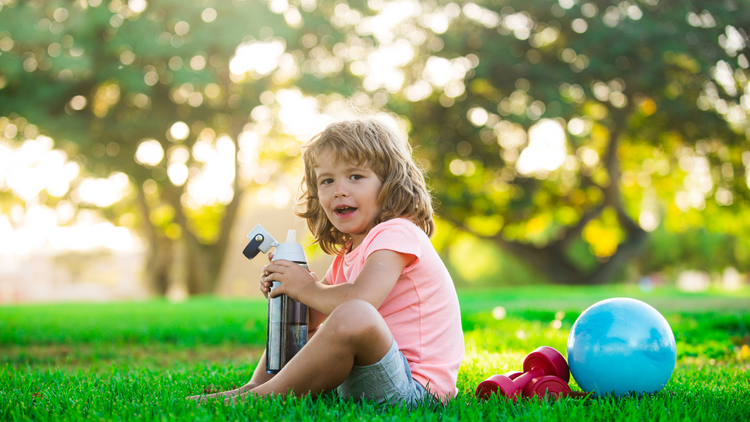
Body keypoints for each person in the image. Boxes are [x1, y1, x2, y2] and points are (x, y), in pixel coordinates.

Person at [190, 116, 464, 406]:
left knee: (356, 313)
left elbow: (361, 301)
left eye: (356, 176)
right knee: (303, 315)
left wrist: (306, 288)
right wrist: (289, 290)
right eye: (327, 180)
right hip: (369, 378)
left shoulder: (397, 232)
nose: (339, 190)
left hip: (415, 391)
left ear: (390, 183)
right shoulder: (347, 254)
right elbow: (311, 320)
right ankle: (257, 386)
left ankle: (262, 398)